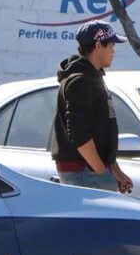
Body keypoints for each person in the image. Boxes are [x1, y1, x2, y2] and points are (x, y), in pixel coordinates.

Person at [51, 20, 133, 193]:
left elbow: (100, 131)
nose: (113, 51)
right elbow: (79, 133)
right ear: (98, 45)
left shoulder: (92, 77)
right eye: (111, 45)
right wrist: (101, 171)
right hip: (84, 172)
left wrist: (115, 170)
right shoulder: (81, 80)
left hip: (90, 171)